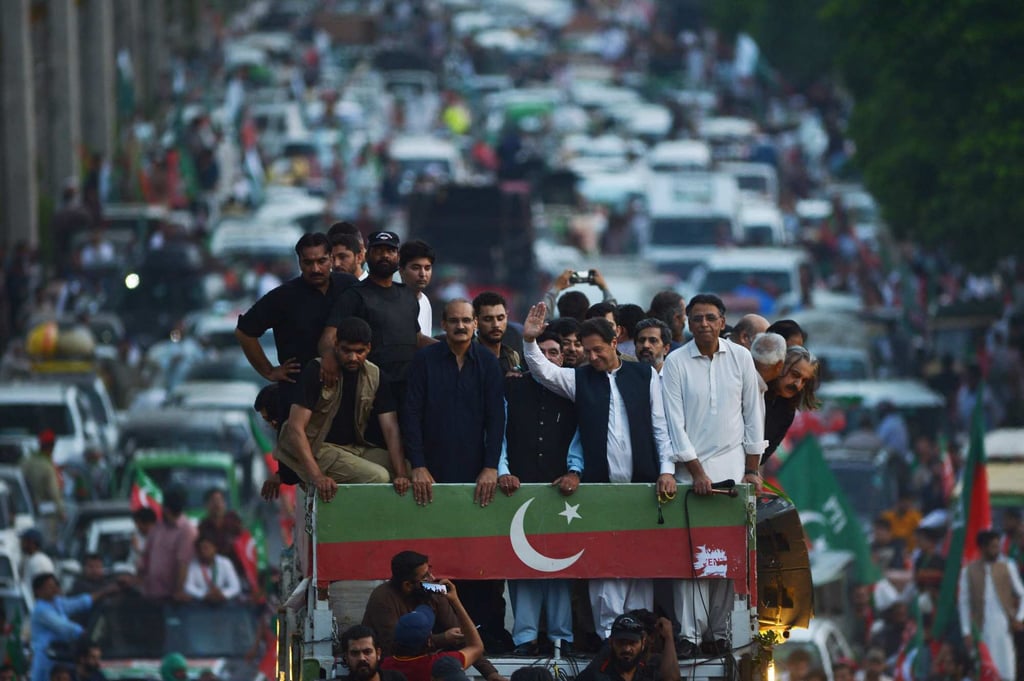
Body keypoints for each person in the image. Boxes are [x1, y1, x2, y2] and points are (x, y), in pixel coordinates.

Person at [521, 304, 676, 638]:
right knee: (605, 568)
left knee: (639, 568)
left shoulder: (644, 375)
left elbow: (660, 429)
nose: (591, 357)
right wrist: (530, 342)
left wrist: (667, 470)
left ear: (616, 339)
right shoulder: (580, 379)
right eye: (587, 350)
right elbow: (544, 373)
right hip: (599, 492)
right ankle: (610, 639)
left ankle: (640, 639)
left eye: (598, 350)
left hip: (643, 490)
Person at [660, 293, 766, 658]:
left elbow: (754, 416)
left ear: (723, 322)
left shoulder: (740, 358)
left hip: (733, 472)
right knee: (689, 557)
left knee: (724, 556)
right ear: (688, 323)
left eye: (710, 318)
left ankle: (719, 632)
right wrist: (696, 471)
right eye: (697, 319)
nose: (703, 324)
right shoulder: (675, 362)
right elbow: (674, 423)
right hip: (690, 474)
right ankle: (688, 636)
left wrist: (752, 470)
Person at [402, 299, 509, 650]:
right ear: (443, 325)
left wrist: (491, 466)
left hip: (477, 474)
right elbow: (411, 414)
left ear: (475, 323)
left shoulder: (489, 364)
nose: (461, 326)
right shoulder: (425, 361)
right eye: (454, 321)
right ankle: (435, 629)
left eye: (466, 320)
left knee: (478, 550)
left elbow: (497, 419)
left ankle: (485, 630)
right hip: (431, 474)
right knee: (433, 551)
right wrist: (417, 464)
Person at [236, 233, 358, 486]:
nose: (315, 268)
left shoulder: (348, 286)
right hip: (299, 393)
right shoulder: (284, 297)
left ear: (332, 259)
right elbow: (245, 331)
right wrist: (269, 371)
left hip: (343, 390)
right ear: (299, 262)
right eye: (308, 262)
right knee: (299, 474)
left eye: (322, 261)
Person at [498, 328, 581, 657]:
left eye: (554, 352)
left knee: (560, 565)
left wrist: (575, 471)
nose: (548, 357)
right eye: (542, 351)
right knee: (521, 564)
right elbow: (498, 434)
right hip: (518, 488)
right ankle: (525, 638)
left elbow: (580, 437)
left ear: (562, 357)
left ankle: (561, 636)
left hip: (562, 492)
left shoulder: (572, 391)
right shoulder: (513, 387)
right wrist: (503, 472)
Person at [276, 317, 410, 501]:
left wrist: (402, 474)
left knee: (410, 471)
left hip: (354, 448)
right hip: (318, 449)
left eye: (359, 351)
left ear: (368, 348)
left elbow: (390, 429)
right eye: (346, 350)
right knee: (378, 477)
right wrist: (317, 476)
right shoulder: (317, 370)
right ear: (336, 345)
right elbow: (295, 428)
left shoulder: (375, 375)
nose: (353, 357)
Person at [319, 231, 435, 402]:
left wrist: (452, 347)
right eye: (378, 251)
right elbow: (328, 338)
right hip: (369, 391)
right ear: (367, 255)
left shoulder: (407, 295)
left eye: (390, 251)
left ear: (398, 256)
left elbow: (417, 338)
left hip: (409, 390)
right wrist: (328, 358)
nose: (385, 256)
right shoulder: (353, 296)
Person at [361, 551, 504, 681]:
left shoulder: (432, 592)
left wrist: (491, 674)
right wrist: (443, 639)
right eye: (425, 576)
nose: (432, 578)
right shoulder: (382, 599)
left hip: (425, 663)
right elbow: (395, 646)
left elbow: (463, 637)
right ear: (408, 585)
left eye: (430, 571)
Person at [380, 580, 484, 681]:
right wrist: (455, 600)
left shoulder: (385, 666)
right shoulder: (438, 665)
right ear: (429, 641)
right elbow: (476, 647)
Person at [29, 573, 120, 681]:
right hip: (46, 660)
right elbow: (63, 627)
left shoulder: (57, 603)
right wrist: (85, 635)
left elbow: (79, 603)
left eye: (54, 585)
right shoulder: (40, 610)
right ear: (38, 591)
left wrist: (104, 592)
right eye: (49, 587)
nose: (54, 589)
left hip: (61, 658)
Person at [960, 530, 1024, 681]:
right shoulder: (968, 571)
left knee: (1007, 671)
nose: (997, 550)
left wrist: (1020, 618)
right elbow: (964, 604)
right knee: (985, 672)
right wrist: (966, 631)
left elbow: (1022, 594)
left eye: (998, 546)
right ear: (982, 548)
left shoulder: (1007, 567)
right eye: (993, 547)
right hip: (980, 630)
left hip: (1004, 629)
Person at [575, 613, 679, 681]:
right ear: (611, 642)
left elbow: (672, 679)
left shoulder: (647, 672)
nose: (627, 649)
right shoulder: (596, 675)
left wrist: (668, 638)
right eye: (621, 642)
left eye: (633, 643)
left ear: (643, 643)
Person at [763, 344, 819, 462]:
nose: (798, 384)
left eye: (804, 381)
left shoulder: (787, 410)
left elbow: (764, 455)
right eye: (795, 374)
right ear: (780, 366)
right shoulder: (753, 391)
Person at [139, 488, 197, 600]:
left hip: (170, 598)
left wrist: (178, 591)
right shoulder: (158, 526)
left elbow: (183, 564)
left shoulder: (186, 530)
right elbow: (146, 555)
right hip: (151, 593)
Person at [21, 429, 64, 539]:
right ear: (51, 446)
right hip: (46, 513)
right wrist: (61, 512)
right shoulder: (46, 467)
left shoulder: (26, 461)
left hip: (26, 510)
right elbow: (54, 493)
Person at [472, 292, 522, 375]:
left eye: (500, 318)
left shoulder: (511, 356)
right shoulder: (468, 356)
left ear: (506, 317)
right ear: (475, 322)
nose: (496, 325)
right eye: (488, 319)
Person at [184, 535, 242, 603]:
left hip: (223, 603)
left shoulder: (225, 563)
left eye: (206, 548)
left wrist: (223, 594)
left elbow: (236, 586)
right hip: (201, 604)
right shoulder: (193, 564)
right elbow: (188, 587)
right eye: (200, 549)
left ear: (215, 548)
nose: (202, 551)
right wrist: (204, 595)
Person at [337, 625, 407, 681]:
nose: (362, 658)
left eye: (367, 652)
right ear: (346, 657)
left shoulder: (396, 678)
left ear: (378, 653)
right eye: (355, 653)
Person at [544, 269, 617, 322]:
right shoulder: (597, 335)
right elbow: (611, 311)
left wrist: (556, 287)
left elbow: (543, 314)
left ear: (560, 310)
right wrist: (604, 287)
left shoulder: (550, 332)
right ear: (587, 309)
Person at [399, 240, 435, 338]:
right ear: (401, 270)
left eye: (427, 268)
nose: (423, 274)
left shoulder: (425, 300)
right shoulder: (392, 301)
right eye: (416, 268)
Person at [20, 529, 55, 607]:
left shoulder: (41, 561)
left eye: (24, 541)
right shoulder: (30, 559)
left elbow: (45, 590)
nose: (21, 544)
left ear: (31, 543)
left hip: (38, 608)